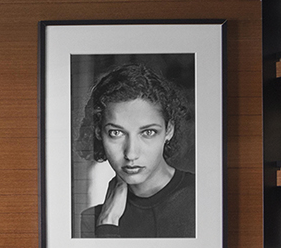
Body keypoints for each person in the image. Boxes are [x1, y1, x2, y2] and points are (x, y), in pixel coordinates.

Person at [77, 63, 195, 238]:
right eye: (116, 133)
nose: (131, 154)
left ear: (169, 130)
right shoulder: (92, 220)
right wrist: (107, 223)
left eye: (148, 132)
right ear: (98, 133)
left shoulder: (204, 196)